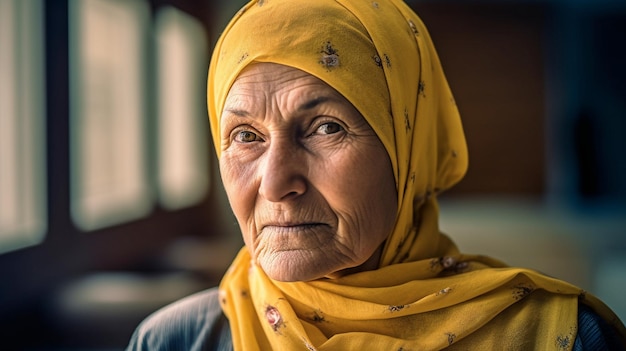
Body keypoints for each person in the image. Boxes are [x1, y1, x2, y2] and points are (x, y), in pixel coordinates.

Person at [127, 0, 626, 349]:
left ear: (409, 154)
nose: (276, 183)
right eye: (245, 135)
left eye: (325, 127)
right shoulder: (175, 340)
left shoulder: (561, 339)